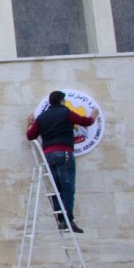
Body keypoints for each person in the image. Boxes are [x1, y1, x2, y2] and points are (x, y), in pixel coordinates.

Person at [27, 90, 99, 233]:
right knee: (67, 187)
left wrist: (30, 123)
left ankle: (60, 220)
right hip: (64, 153)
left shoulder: (42, 117)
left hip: (49, 155)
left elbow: (30, 135)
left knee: (56, 189)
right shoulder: (66, 113)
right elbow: (86, 122)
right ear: (61, 101)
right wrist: (94, 115)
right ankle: (68, 220)